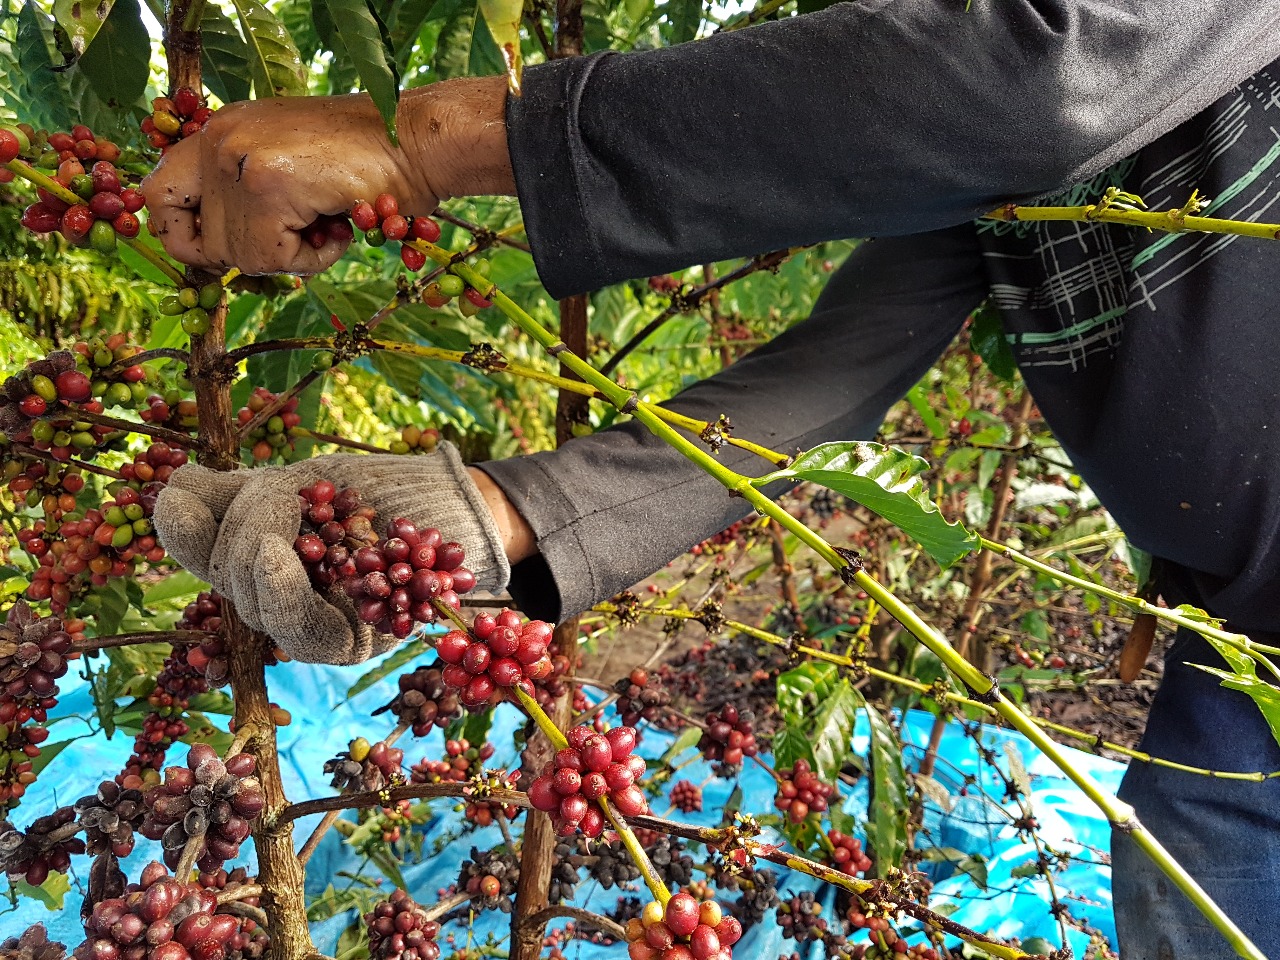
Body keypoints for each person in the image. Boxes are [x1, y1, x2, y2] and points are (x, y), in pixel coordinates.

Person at [144, 3, 1280, 957]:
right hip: (1241, 639)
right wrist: (504, 514)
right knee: (1186, 892)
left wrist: (422, 141)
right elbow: (831, 370)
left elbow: (1038, 76)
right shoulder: (988, 170)